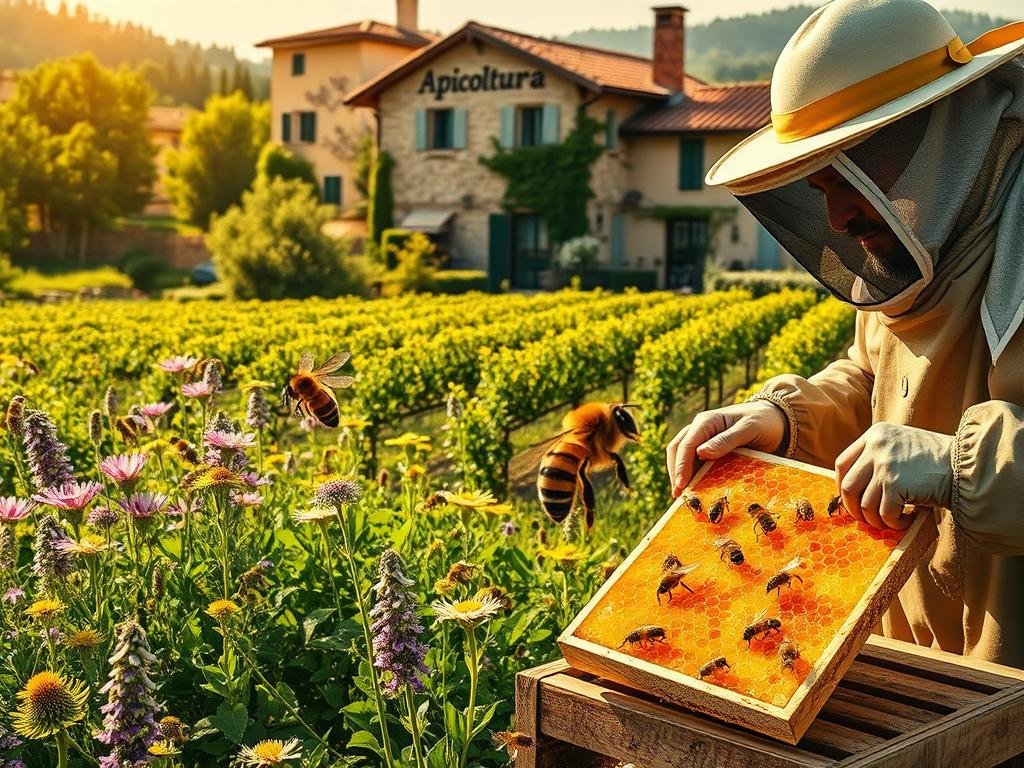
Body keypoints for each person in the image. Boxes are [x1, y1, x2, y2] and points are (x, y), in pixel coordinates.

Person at [666, 0, 1024, 665]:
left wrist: (957, 465)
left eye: (845, 174)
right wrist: (780, 419)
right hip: (914, 665)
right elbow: (871, 379)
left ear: (927, 134)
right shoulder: (917, 239)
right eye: (815, 183)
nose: (833, 215)